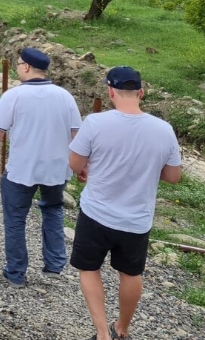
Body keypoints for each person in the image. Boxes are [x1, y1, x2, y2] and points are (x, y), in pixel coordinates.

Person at [69, 67, 182, 340]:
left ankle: (101, 333)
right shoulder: (164, 129)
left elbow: (74, 163)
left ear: (110, 92)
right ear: (141, 93)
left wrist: (87, 168)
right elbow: (173, 176)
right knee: (130, 274)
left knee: (89, 268)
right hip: (137, 220)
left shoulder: (95, 123)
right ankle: (121, 329)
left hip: (96, 213)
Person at [0, 47, 82, 287]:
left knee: (15, 219)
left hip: (22, 169)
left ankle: (16, 273)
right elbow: (76, 133)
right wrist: (80, 164)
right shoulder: (64, 96)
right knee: (53, 210)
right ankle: (54, 264)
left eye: (18, 64)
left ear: (25, 67)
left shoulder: (14, 95)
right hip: (57, 168)